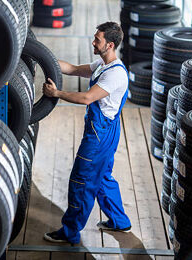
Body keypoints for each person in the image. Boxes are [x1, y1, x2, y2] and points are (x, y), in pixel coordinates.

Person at [42, 21, 131, 244]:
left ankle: (70, 231)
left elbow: (86, 98)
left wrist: (57, 93)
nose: (93, 41)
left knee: (81, 180)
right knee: (102, 177)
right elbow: (71, 68)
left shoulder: (115, 74)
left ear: (109, 45)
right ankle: (120, 221)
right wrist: (42, 58)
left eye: (97, 39)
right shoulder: (102, 64)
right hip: (104, 131)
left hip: (100, 135)